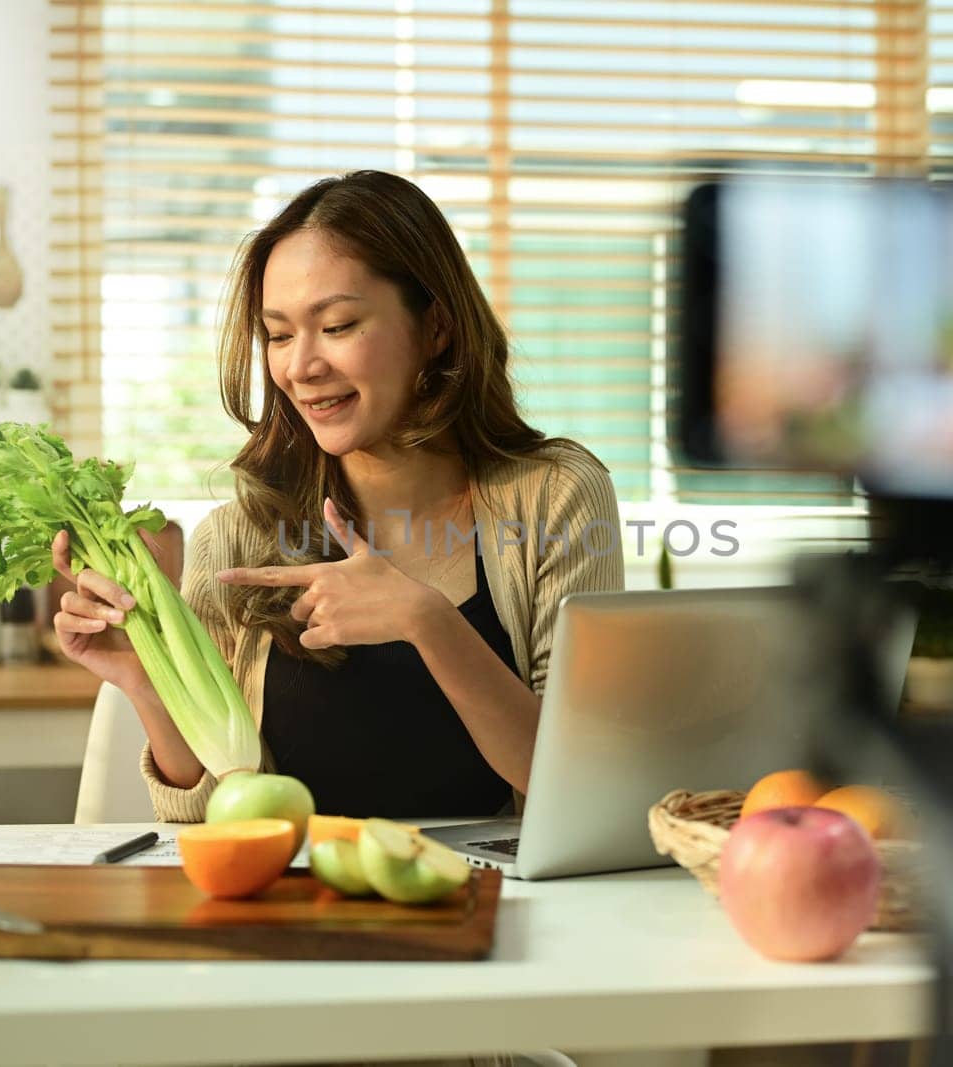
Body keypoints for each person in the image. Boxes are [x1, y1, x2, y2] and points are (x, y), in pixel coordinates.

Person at [51, 170, 624, 822]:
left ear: (435, 326)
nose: (301, 366)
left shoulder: (554, 498)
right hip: (295, 909)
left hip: (487, 908)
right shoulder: (238, 536)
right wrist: (146, 683)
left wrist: (427, 621)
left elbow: (577, 783)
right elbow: (215, 811)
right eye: (280, 333)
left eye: (339, 324)